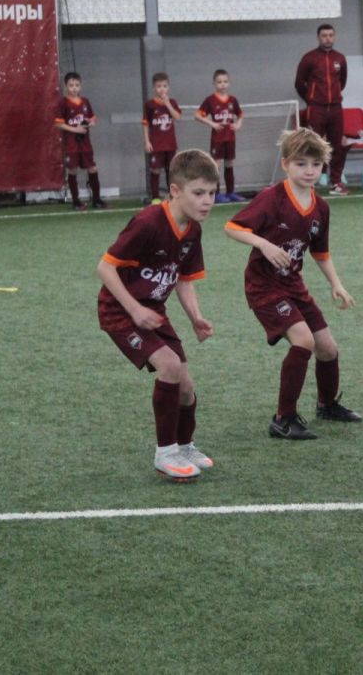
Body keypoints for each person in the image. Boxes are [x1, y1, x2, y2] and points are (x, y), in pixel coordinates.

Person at [225, 128, 362, 441]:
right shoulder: (271, 198)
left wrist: (336, 284)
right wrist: (264, 244)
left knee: (327, 348)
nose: (309, 170)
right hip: (263, 285)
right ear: (286, 164)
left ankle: (327, 405)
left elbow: (320, 252)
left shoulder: (321, 207)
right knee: (303, 341)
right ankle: (283, 419)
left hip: (293, 285)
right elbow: (232, 227)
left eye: (316, 164)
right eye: (301, 164)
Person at [96, 150, 219, 482]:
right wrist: (134, 309)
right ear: (175, 191)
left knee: (186, 386)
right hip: (120, 311)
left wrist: (195, 317)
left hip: (153, 311)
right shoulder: (148, 222)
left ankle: (185, 446)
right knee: (169, 366)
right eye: (199, 193)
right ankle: (165, 453)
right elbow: (105, 267)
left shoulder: (192, 230)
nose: (207, 201)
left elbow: (182, 279)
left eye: (212, 193)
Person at [294, 24, 351, 195]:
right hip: (316, 109)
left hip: (335, 108)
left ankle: (336, 182)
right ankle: (309, 184)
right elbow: (299, 83)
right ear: (318, 37)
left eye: (331, 35)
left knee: (337, 146)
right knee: (313, 146)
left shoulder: (340, 58)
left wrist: (333, 96)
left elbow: (342, 82)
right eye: (324, 35)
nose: (328, 38)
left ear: (335, 37)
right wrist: (311, 100)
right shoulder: (309, 58)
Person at [54, 72, 106, 210]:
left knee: (92, 168)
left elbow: (92, 118)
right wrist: (75, 129)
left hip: (85, 143)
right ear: (66, 86)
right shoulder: (63, 103)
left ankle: (97, 199)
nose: (74, 88)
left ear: (81, 86)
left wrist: (91, 122)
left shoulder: (85, 101)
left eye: (77, 85)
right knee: (72, 170)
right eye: (71, 85)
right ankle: (76, 201)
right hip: (71, 144)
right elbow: (58, 123)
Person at [195, 68, 245, 203]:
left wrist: (238, 124)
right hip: (217, 138)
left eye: (225, 82)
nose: (222, 84)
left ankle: (230, 192)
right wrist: (212, 123)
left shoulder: (233, 100)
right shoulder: (210, 100)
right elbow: (197, 115)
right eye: (219, 82)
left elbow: (241, 115)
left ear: (229, 83)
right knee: (216, 165)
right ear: (214, 83)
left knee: (229, 163)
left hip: (230, 137)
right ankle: (216, 194)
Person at [142, 72, 182, 203]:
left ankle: (172, 196)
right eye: (159, 86)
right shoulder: (149, 105)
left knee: (171, 170)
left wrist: (168, 104)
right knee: (155, 169)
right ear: (154, 87)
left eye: (164, 86)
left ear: (168, 87)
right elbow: (146, 124)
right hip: (156, 144)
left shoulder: (172, 102)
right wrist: (147, 141)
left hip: (170, 144)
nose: (162, 89)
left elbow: (177, 117)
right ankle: (155, 197)